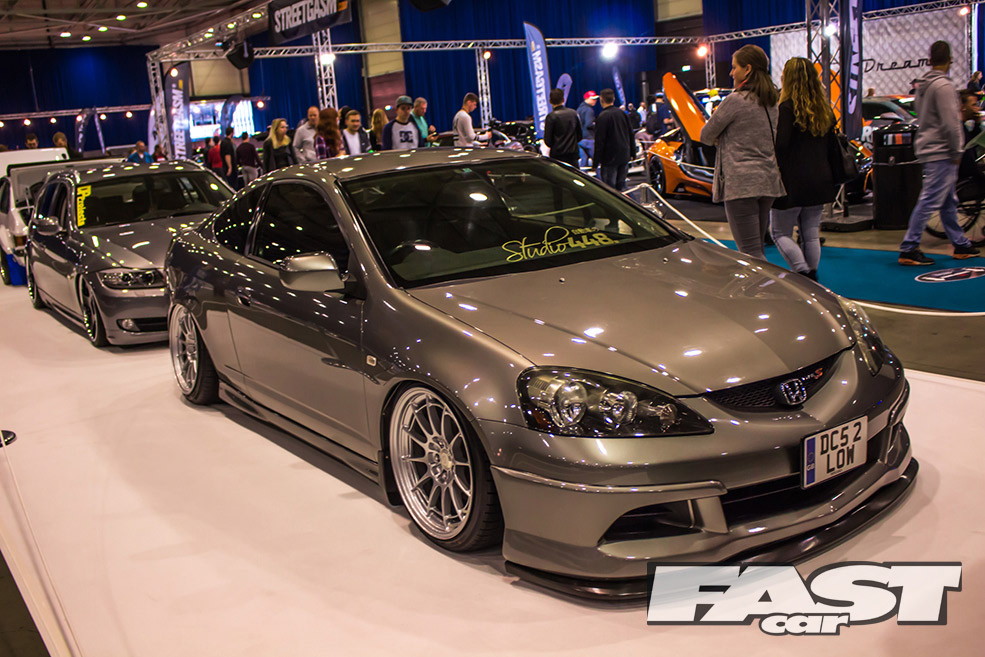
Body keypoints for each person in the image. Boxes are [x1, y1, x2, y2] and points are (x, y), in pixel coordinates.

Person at [699, 44, 785, 260]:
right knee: (758, 250)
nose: (731, 73)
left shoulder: (735, 101)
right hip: (767, 181)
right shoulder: (771, 102)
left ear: (747, 69)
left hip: (741, 184)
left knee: (750, 254)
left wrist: (722, 137)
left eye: (734, 67)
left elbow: (706, 135)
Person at [899, 41, 980, 264]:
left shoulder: (922, 87)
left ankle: (960, 243)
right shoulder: (943, 87)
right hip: (942, 151)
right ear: (950, 60)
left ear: (930, 60)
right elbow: (951, 123)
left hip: (929, 147)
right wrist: (958, 150)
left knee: (947, 201)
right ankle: (909, 247)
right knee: (930, 199)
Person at [770, 57, 839, 281]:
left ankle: (802, 273)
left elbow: (781, 145)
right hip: (820, 178)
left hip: (792, 181)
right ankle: (812, 274)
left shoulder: (786, 108)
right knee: (810, 233)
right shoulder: (824, 110)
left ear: (788, 79)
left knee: (779, 232)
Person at [593, 88, 635, 191]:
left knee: (609, 190)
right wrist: (633, 153)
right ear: (614, 99)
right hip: (624, 155)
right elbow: (631, 134)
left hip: (609, 158)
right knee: (622, 187)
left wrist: (595, 162)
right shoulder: (623, 114)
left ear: (601, 99)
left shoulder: (602, 116)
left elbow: (600, 141)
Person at [543, 88, 582, 168]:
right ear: (563, 99)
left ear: (550, 101)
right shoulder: (573, 113)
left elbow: (548, 141)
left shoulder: (551, 117)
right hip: (573, 155)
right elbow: (579, 136)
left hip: (557, 156)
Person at [576, 90, 598, 167]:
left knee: (583, 162)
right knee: (596, 161)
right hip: (589, 139)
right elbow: (589, 124)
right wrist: (597, 125)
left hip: (580, 139)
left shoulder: (579, 109)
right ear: (587, 98)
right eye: (593, 99)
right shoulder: (589, 110)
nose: (595, 100)